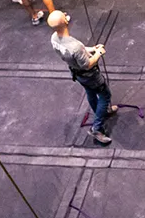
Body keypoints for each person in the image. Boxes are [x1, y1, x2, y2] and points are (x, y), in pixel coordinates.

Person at [48, 10, 117, 145]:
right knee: (105, 96)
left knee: (90, 92)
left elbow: (77, 52)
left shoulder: (54, 38)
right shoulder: (75, 47)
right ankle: (97, 128)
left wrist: (90, 49)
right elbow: (88, 64)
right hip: (90, 75)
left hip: (77, 73)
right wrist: (98, 53)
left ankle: (102, 112)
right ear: (66, 21)